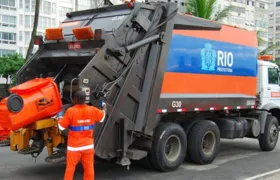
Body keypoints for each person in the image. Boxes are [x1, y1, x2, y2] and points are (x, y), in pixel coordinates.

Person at [57, 90, 106, 180]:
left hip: (74, 147)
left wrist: (60, 116)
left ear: (74, 99)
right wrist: (103, 105)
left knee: (70, 168)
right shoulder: (92, 110)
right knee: (89, 168)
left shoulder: (71, 111)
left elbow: (61, 127)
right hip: (88, 146)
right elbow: (102, 118)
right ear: (85, 100)